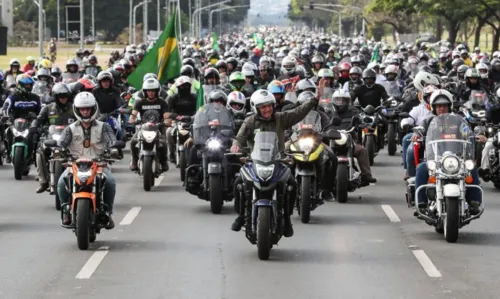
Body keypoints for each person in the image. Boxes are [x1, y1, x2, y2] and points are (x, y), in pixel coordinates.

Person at [229, 78, 329, 237]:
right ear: (256, 108)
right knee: (238, 184)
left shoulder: (281, 118)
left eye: (269, 106)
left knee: (291, 185)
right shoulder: (249, 121)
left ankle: (287, 220)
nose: (267, 109)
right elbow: (240, 138)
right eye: (263, 107)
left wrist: (316, 98)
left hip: (278, 161)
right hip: (254, 161)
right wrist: (235, 146)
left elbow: (299, 112)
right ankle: (241, 216)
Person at [414, 89, 481, 214]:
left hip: (457, 158)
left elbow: (467, 132)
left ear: (449, 106)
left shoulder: (458, 121)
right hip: (435, 159)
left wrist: (474, 135)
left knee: (471, 167)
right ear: (433, 107)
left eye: (444, 105)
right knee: (422, 168)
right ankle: (421, 203)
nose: (441, 108)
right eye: (438, 106)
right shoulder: (428, 121)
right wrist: (416, 134)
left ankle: (474, 201)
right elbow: (420, 130)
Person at [56, 92, 118, 228]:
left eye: (88, 108)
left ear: (93, 108)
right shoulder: (70, 129)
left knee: (110, 182)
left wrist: (113, 149)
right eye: (82, 109)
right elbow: (61, 143)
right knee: (61, 183)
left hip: (98, 164)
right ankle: (66, 211)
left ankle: (107, 213)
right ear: (77, 110)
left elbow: (111, 141)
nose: (85, 112)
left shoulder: (103, 126)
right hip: (75, 165)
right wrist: (58, 151)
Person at [33, 83, 75, 193]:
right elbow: (38, 119)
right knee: (40, 152)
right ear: (56, 96)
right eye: (60, 96)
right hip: (52, 138)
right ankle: (43, 181)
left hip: (71, 140)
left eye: (65, 95)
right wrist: (34, 126)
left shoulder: (75, 108)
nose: (63, 98)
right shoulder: (48, 108)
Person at [329, 89, 377, 186]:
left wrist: (364, 125)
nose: (341, 103)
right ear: (334, 100)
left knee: (362, 150)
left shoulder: (353, 111)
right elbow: (320, 122)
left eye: (343, 100)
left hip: (348, 140)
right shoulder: (328, 112)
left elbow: (360, 119)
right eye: (338, 100)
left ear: (348, 101)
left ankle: (366, 175)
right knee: (320, 153)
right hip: (331, 140)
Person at [128, 78, 169, 172]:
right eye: (148, 91)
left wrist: (166, 121)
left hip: (158, 128)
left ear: (157, 91)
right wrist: (132, 120)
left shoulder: (162, 102)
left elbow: (166, 115)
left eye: (153, 90)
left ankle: (163, 162)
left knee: (163, 143)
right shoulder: (140, 102)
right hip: (143, 128)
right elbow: (133, 114)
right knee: (133, 142)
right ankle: (134, 160)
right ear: (145, 92)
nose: (150, 92)